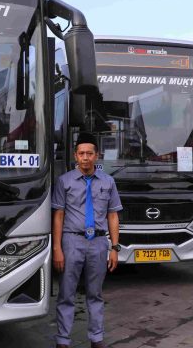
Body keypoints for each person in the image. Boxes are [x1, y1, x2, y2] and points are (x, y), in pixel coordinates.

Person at [51, 132, 122, 348]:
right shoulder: (64, 181)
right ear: (75, 156)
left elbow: (113, 215)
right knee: (66, 293)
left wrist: (115, 248)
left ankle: (96, 338)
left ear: (96, 156)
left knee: (96, 294)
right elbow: (59, 215)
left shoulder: (108, 182)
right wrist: (57, 249)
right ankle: (63, 340)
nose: (85, 157)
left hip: (99, 244)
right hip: (71, 242)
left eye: (89, 153)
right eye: (81, 153)